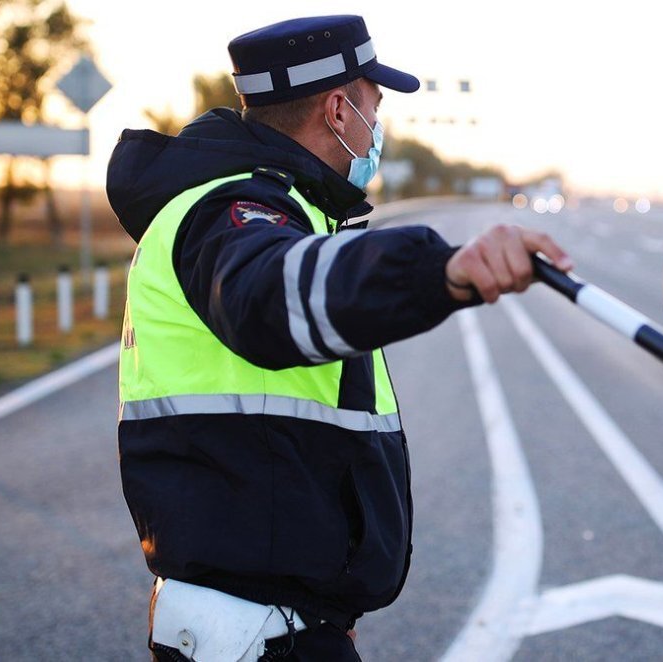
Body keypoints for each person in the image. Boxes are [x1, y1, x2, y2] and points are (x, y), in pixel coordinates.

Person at [106, 14, 571, 662]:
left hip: (275, 626)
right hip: (254, 637)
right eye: (374, 108)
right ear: (337, 110)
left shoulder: (282, 211)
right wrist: (437, 270)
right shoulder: (229, 214)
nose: (377, 129)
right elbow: (270, 294)